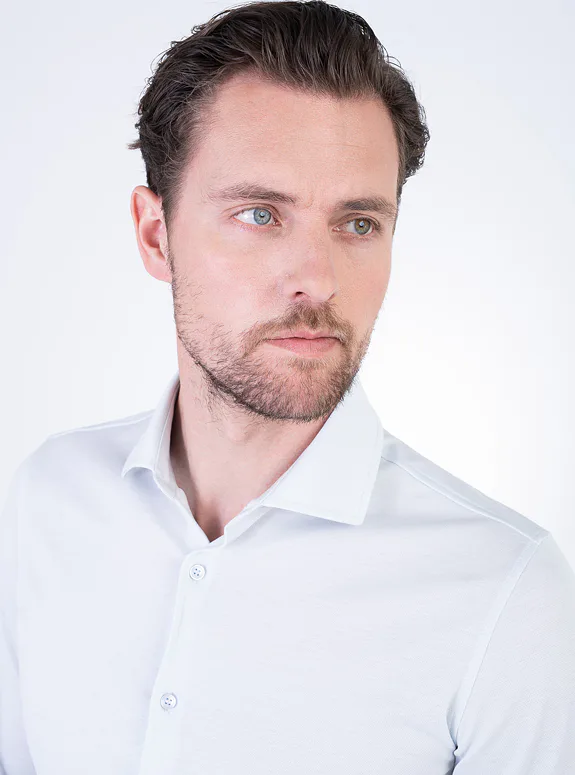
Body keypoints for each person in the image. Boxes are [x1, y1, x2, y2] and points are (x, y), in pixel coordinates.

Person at [1, 0, 574, 772]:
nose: (317, 280)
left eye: (357, 223)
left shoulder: (506, 593)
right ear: (155, 235)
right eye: (260, 214)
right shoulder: (48, 500)